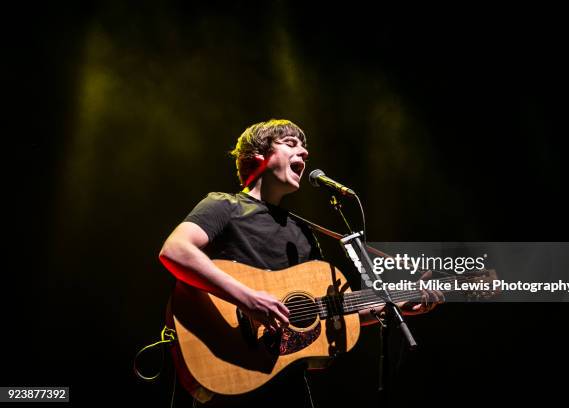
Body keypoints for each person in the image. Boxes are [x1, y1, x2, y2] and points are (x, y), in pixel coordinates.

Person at [158, 119, 440, 407]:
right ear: (258, 157)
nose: (304, 153)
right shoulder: (224, 205)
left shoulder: (303, 233)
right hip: (228, 367)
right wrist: (248, 299)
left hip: (286, 382)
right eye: (291, 144)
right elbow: (175, 250)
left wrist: (395, 304)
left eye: (305, 148)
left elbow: (330, 308)